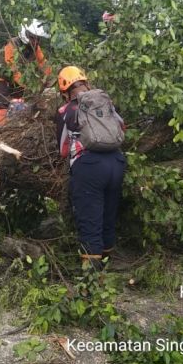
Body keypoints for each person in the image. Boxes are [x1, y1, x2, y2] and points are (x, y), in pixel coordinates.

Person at [55, 66, 126, 265]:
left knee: (90, 220)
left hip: (89, 167)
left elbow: (62, 148)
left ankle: (91, 282)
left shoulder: (66, 110)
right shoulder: (105, 102)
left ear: (65, 92)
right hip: (116, 162)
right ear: (86, 83)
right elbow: (122, 128)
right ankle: (107, 268)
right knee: (108, 217)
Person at [0, 19, 51, 125]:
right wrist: (30, 86)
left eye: (37, 39)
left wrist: (50, 79)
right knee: (2, 104)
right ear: (25, 34)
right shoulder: (12, 45)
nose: (35, 41)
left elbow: (43, 64)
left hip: (17, 79)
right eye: (33, 38)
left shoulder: (35, 48)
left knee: (34, 99)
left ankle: (33, 123)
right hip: (1, 77)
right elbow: (13, 70)